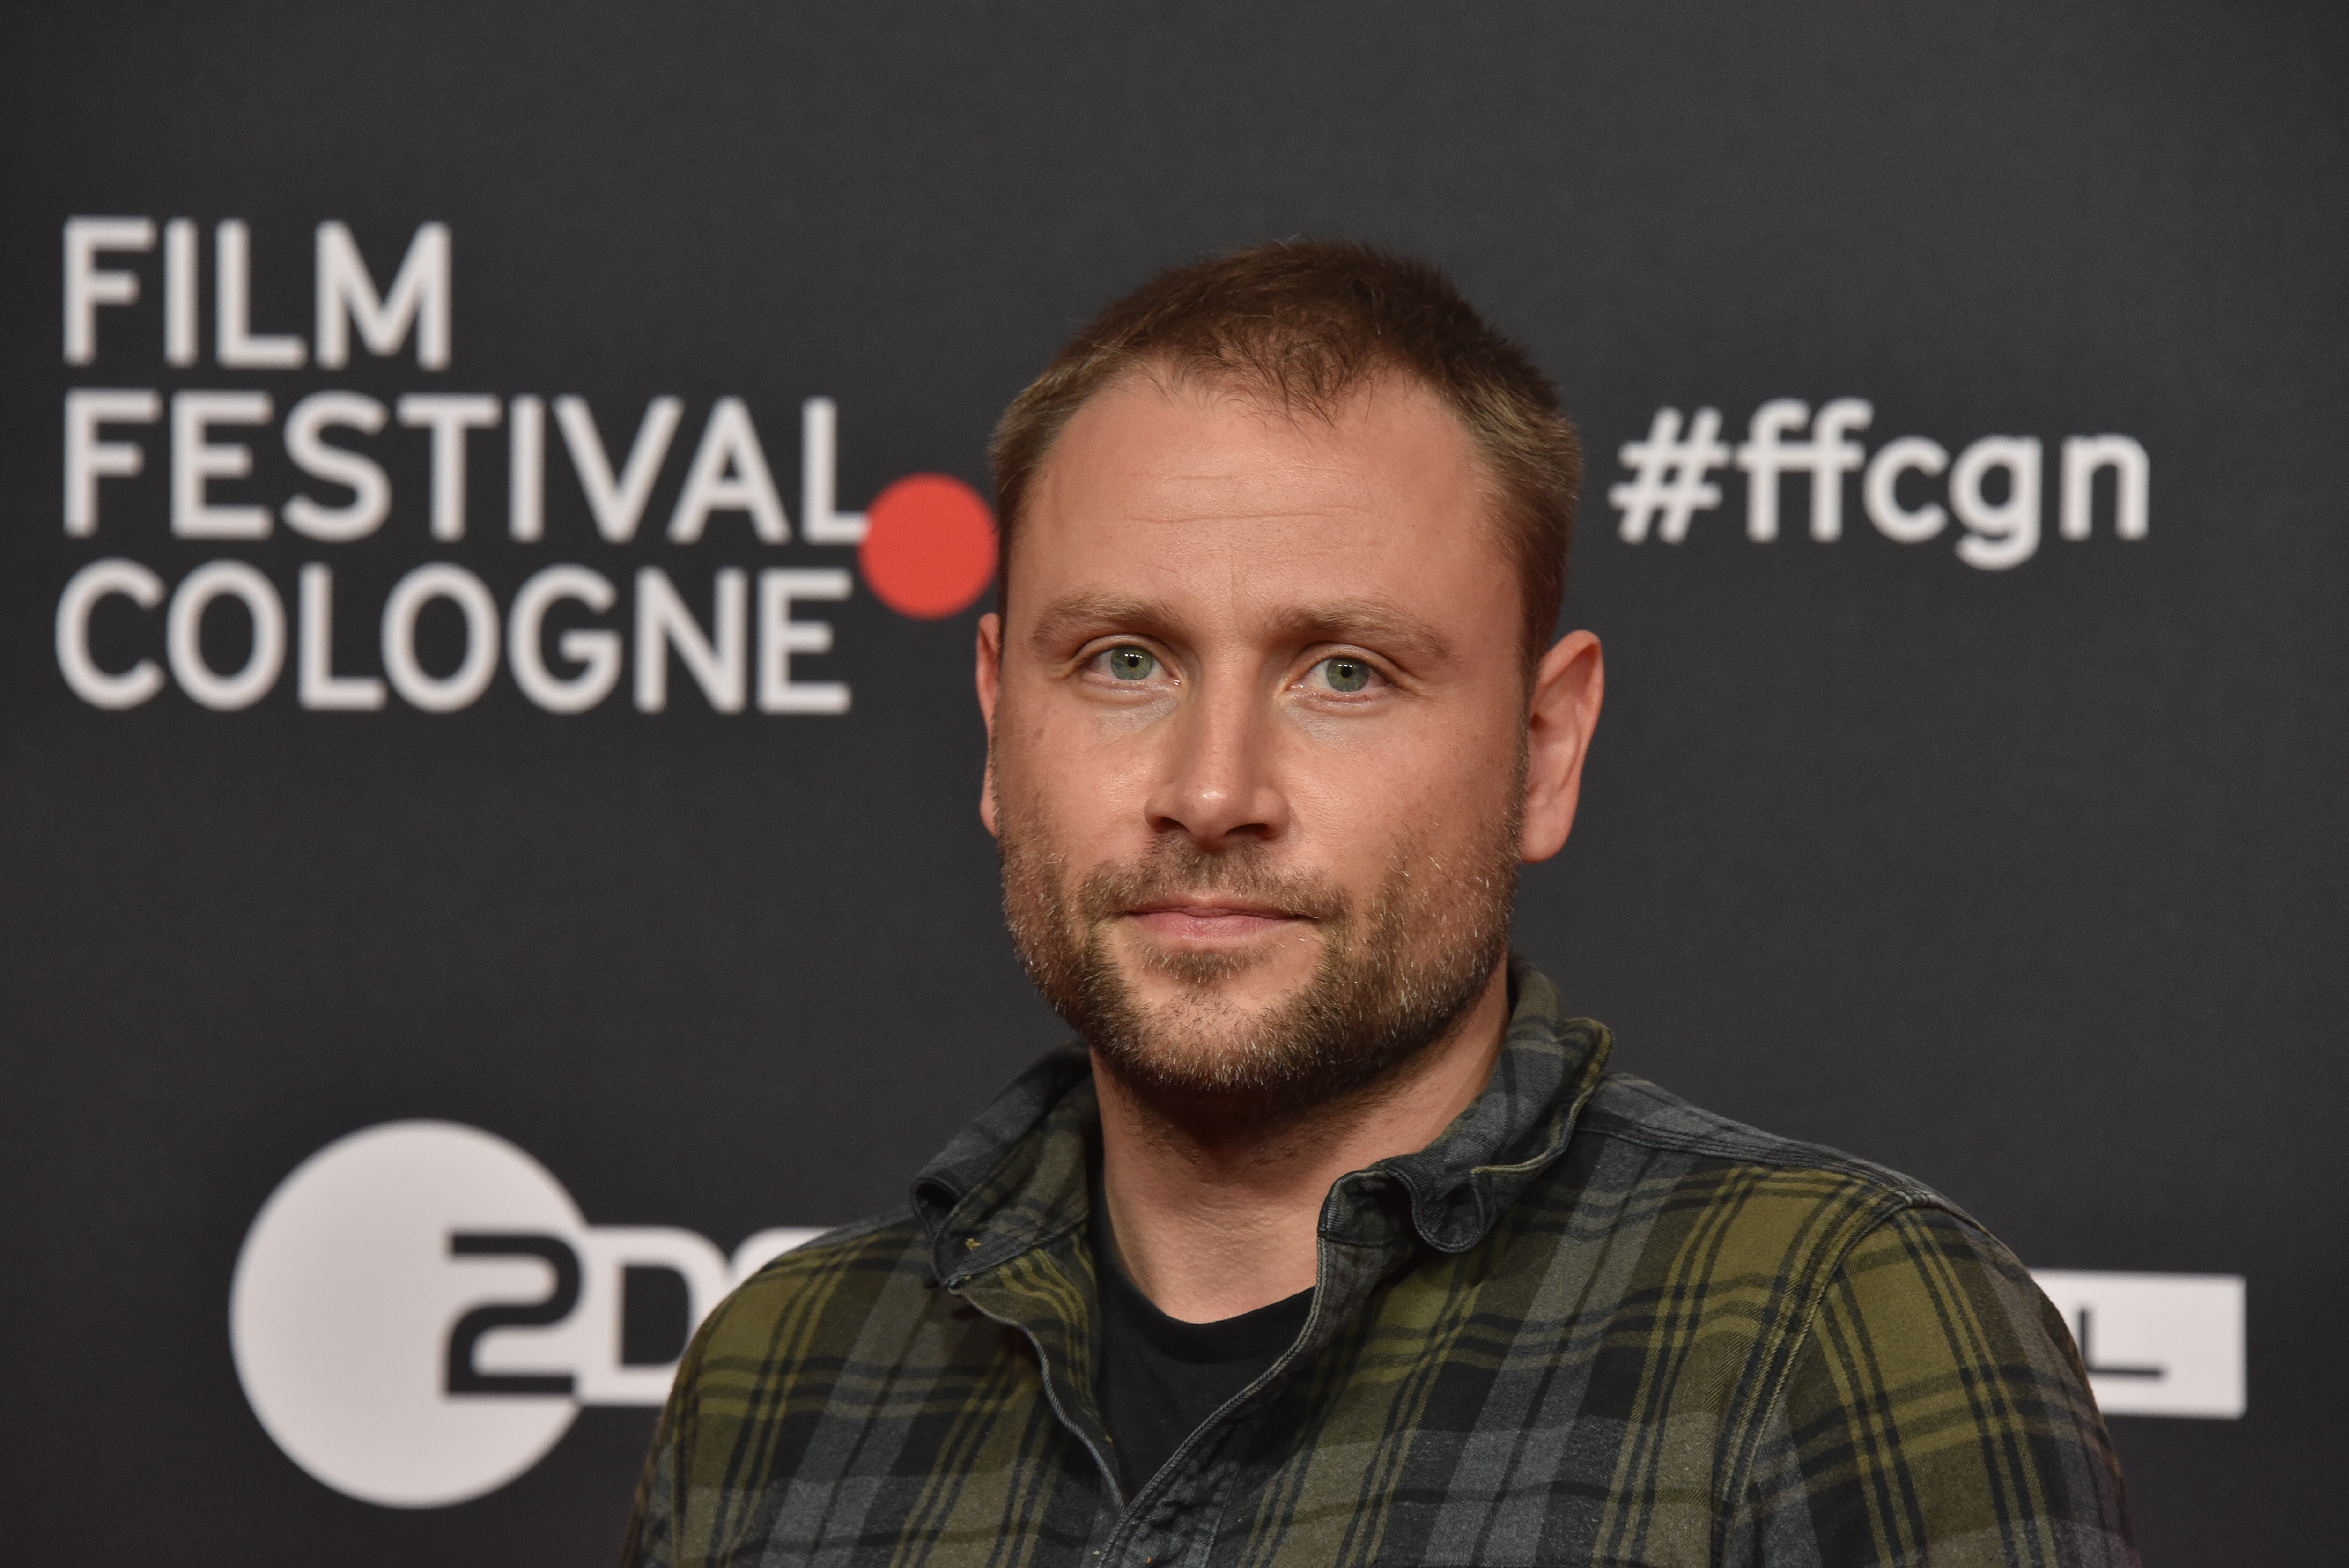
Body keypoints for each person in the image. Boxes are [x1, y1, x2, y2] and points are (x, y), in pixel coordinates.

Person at [623, 242, 2136, 1567]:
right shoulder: (783, 1376)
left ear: (1545, 751)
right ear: (997, 724)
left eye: (1344, 672)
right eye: (1124, 662)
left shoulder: (1822, 1327)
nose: (1213, 791)